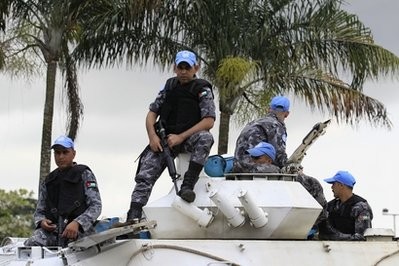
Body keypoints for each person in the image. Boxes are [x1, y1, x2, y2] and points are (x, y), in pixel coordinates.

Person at [126, 50, 216, 222]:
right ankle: (134, 212)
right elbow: (152, 114)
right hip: (165, 139)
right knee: (146, 172)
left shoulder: (201, 89)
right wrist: (153, 137)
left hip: (189, 137)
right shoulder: (169, 87)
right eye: (180, 67)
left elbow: (208, 121)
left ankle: (187, 185)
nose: (183, 71)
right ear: (175, 68)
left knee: (206, 138)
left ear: (195, 68)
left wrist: (181, 137)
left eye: (187, 68)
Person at [24, 136, 102, 247]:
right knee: (30, 245)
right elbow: (39, 211)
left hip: (80, 232)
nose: (61, 157)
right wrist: (42, 222)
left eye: (65, 152)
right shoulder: (49, 180)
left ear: (73, 154)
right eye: (57, 153)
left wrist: (77, 223)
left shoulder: (84, 174)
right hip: (54, 232)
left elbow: (96, 206)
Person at [232, 95, 289, 172]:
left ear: (268, 109)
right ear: (287, 114)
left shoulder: (254, 122)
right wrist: (291, 166)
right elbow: (279, 158)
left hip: (237, 167)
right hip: (254, 168)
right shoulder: (276, 126)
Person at [318, 170, 373, 241]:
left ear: (341, 185)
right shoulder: (331, 206)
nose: (331, 188)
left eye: (333, 184)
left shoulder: (361, 207)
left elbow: (362, 237)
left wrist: (336, 237)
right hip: (330, 249)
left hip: (352, 250)